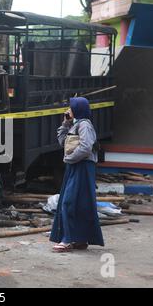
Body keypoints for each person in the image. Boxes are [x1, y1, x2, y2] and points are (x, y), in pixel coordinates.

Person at [50, 97, 104, 253]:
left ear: (78, 109)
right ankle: (80, 239)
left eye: (71, 107)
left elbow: (86, 147)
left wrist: (69, 159)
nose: (68, 110)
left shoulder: (85, 125)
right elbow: (62, 141)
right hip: (75, 166)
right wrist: (65, 123)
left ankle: (67, 239)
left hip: (82, 167)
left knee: (69, 202)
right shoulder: (75, 124)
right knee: (80, 203)